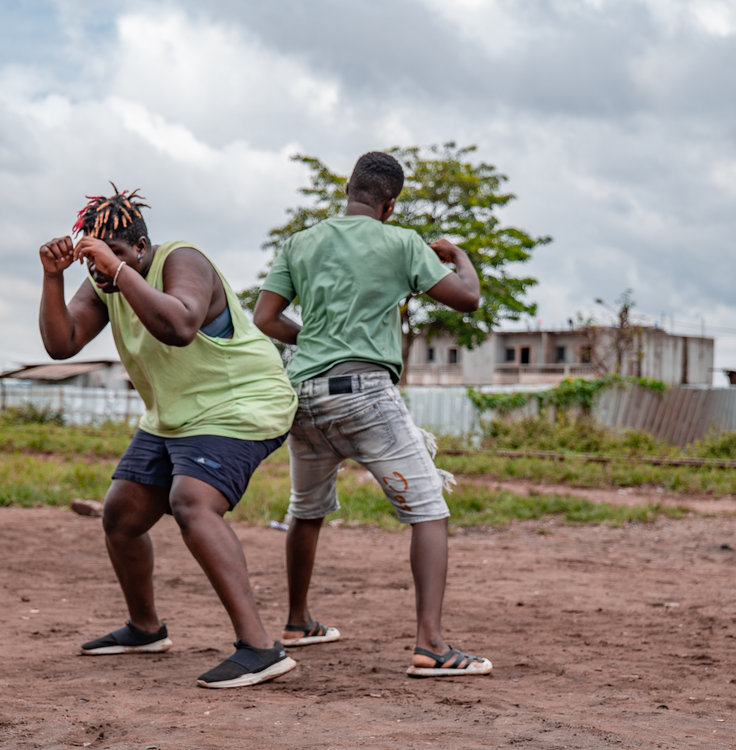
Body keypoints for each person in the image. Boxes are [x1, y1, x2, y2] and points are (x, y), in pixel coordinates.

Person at [37, 184, 298, 689]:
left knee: (192, 501)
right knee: (122, 515)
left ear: (139, 248)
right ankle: (145, 628)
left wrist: (115, 271)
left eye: (113, 254)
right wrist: (53, 280)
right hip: (176, 414)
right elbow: (62, 343)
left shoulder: (183, 261)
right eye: (93, 257)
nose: (99, 266)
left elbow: (178, 325)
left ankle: (261, 649)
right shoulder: (104, 284)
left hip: (240, 402)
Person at [253, 152, 493, 677]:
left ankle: (298, 621)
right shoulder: (402, 241)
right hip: (364, 393)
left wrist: (314, 340)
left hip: (304, 396)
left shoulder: (300, 242)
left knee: (306, 510)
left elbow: (265, 318)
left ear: (348, 190)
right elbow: (468, 299)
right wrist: (458, 254)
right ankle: (431, 645)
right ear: (389, 204)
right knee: (428, 509)